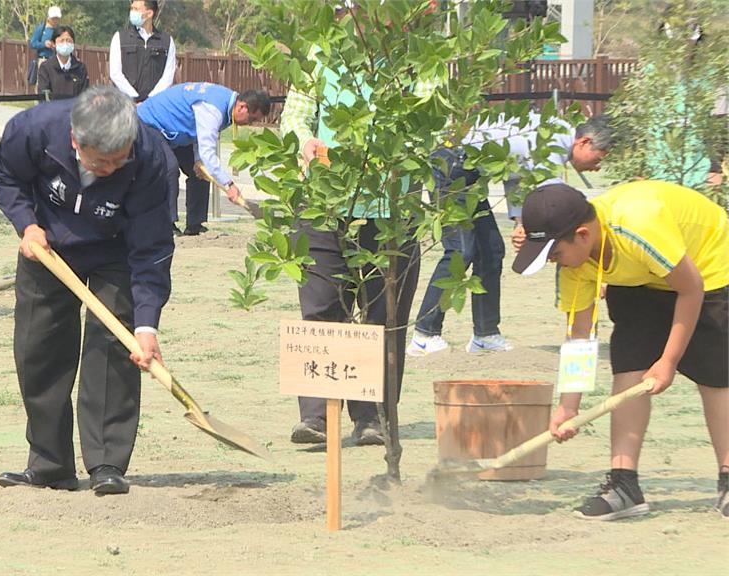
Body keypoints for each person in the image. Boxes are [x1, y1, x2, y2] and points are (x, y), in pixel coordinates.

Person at [0, 87, 174, 496]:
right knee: (39, 348)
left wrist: (146, 325)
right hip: (48, 247)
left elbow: (153, 247)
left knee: (112, 348)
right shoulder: (34, 129)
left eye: (119, 160)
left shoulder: (152, 159)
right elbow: (4, 173)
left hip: (118, 252)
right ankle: (49, 464)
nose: (111, 168)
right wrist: (25, 222)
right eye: (101, 161)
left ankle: (107, 463)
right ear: (75, 140)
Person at [513, 181, 728, 520]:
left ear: (583, 235)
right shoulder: (577, 263)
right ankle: (624, 484)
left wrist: (668, 361)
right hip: (637, 276)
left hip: (707, 266)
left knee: (716, 376)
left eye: (555, 254)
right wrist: (568, 407)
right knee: (630, 366)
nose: (556, 263)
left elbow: (691, 289)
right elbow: (579, 336)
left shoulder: (639, 225)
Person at [279, 18, 421, 445]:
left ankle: (374, 416)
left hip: (391, 211)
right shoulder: (319, 55)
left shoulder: (413, 57)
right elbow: (295, 117)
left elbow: (430, 124)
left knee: (383, 317)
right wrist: (304, 142)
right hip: (324, 206)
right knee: (322, 306)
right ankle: (318, 416)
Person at [407, 114, 615, 357]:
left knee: (492, 250)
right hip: (451, 165)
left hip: (471, 175)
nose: (597, 167)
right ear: (584, 142)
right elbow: (551, 196)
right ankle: (424, 334)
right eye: (598, 158)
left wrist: (521, 223)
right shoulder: (554, 138)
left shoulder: (552, 138)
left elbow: (516, 176)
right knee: (460, 251)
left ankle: (485, 335)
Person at [137, 82, 270, 235]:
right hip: (150, 123)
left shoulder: (227, 103)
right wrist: (229, 185)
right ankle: (167, 224)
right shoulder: (213, 108)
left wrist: (198, 161)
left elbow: (200, 134)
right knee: (169, 168)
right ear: (242, 107)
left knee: (202, 171)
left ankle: (194, 224)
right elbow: (208, 153)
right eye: (251, 119)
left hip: (177, 132)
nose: (249, 124)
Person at [109, 0, 175, 104]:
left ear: (149, 13)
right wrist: (134, 97)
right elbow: (115, 73)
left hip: (155, 104)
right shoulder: (120, 38)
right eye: (132, 9)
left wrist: (150, 100)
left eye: (136, 9)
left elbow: (168, 75)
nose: (132, 12)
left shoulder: (166, 41)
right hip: (125, 104)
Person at [36, 26, 88, 101]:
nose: (65, 44)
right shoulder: (46, 67)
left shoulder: (80, 68)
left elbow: (84, 96)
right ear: (53, 44)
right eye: (62, 41)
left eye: (69, 41)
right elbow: (43, 97)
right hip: (54, 111)